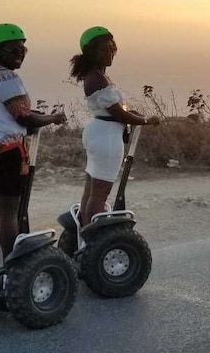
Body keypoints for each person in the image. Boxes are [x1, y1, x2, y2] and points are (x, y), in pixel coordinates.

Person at [0, 24, 66, 288]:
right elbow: (23, 115)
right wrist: (53, 117)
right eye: (12, 47)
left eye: (23, 46)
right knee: (9, 212)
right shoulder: (6, 77)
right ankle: (11, 272)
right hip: (4, 147)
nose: (20, 52)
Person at [68, 26, 160, 229]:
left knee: (91, 191)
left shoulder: (97, 75)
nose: (109, 52)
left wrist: (138, 116)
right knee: (100, 194)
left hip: (100, 132)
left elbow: (118, 109)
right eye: (103, 49)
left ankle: (85, 236)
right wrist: (146, 121)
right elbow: (118, 114)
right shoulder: (98, 78)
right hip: (107, 138)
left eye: (111, 48)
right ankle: (95, 240)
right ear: (91, 52)